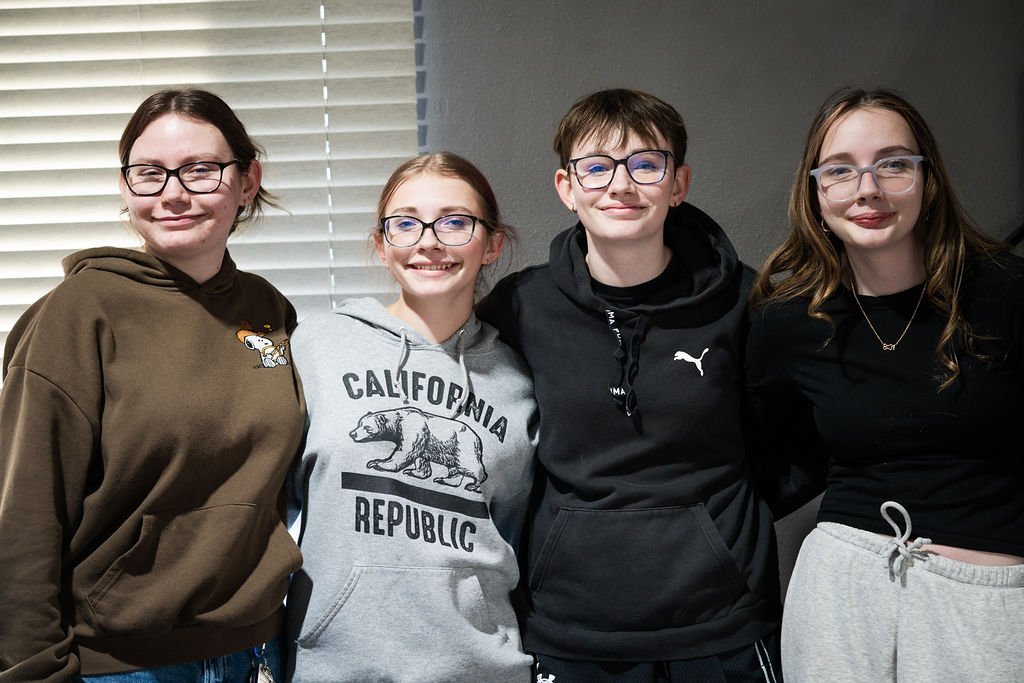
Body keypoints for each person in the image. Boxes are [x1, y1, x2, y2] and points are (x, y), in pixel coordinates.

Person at [477, 88, 783, 682]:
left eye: (646, 163)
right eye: (597, 167)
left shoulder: (746, 302)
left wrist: (714, 528)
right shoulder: (522, 306)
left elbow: (793, 441)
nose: (621, 184)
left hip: (721, 621)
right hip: (572, 623)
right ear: (566, 187)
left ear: (679, 183)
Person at [0, 88, 304, 681]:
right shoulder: (77, 316)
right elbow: (25, 521)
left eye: (201, 170)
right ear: (125, 187)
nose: (173, 194)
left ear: (247, 181)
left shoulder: (267, 309)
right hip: (124, 667)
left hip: (258, 652)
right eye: (150, 174)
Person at [746, 86, 1024, 682]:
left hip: (987, 597)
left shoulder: (1005, 289)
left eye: (893, 164)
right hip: (843, 593)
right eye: (840, 171)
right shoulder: (790, 320)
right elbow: (770, 460)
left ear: (927, 178)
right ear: (817, 191)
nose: (867, 188)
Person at [286, 152, 537, 682]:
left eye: (455, 222)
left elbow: (513, 531)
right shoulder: (316, 347)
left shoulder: (519, 381)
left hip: (479, 666)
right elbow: (277, 508)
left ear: (492, 243)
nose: (429, 241)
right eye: (405, 223)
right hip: (335, 664)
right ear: (381, 245)